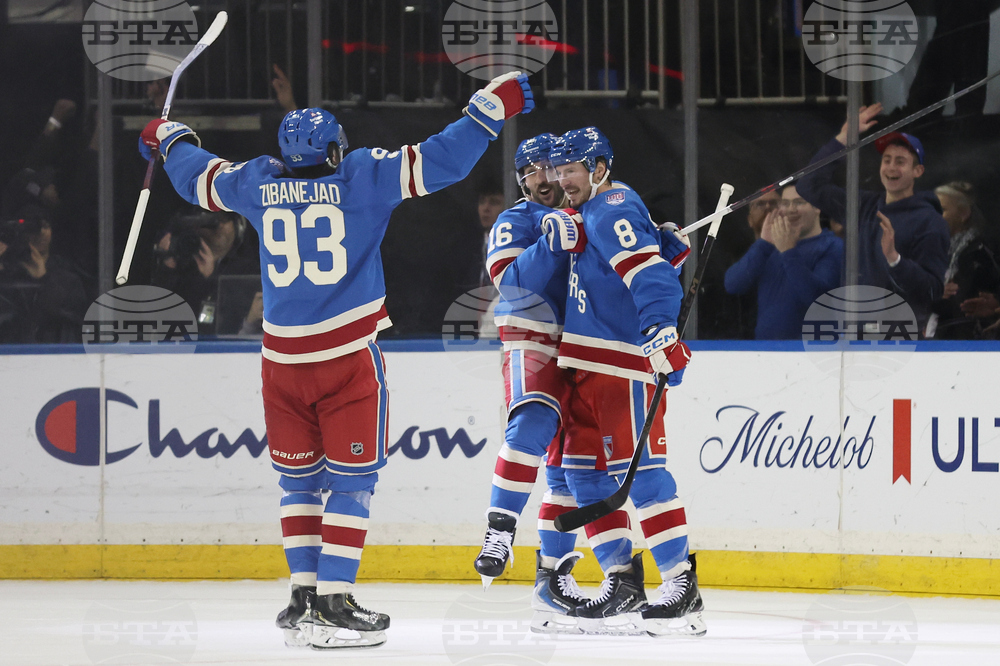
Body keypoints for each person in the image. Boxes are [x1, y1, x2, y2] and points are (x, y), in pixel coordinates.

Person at [138, 71, 534, 650]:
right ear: (332, 150)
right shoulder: (363, 176)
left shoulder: (257, 180)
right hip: (345, 358)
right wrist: (488, 105)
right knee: (352, 484)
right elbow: (442, 160)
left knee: (297, 483)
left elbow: (198, 178)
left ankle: (302, 596)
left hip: (281, 363)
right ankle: (334, 601)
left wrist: (167, 136)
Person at [544, 127, 705, 637]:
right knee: (582, 474)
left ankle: (682, 587)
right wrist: (667, 248)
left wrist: (660, 333)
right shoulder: (592, 211)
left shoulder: (612, 205)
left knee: (647, 473)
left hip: (620, 365)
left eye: (572, 169)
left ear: (599, 167)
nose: (563, 179)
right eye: (559, 169)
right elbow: (621, 269)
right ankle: (623, 581)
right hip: (587, 364)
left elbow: (649, 276)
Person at [474, 132, 590, 633]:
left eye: (554, 168)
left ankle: (552, 578)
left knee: (568, 468)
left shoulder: (594, 211)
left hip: (588, 342)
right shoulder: (513, 221)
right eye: (533, 171)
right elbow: (514, 285)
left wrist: (661, 248)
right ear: (522, 180)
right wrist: (551, 240)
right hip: (533, 334)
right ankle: (499, 530)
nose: (546, 179)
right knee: (532, 422)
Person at [796, 104, 950, 330]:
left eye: (900, 161)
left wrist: (895, 259)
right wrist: (843, 139)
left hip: (899, 341)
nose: (891, 167)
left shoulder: (931, 221)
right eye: (887, 159)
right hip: (852, 335)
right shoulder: (863, 205)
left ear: (918, 171)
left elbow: (933, 289)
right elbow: (808, 185)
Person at [723, 184, 844, 339]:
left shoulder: (833, 246)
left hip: (810, 352)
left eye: (799, 202)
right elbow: (732, 284)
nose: (791, 209)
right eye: (785, 203)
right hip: (764, 352)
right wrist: (764, 243)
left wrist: (788, 252)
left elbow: (818, 300)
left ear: (817, 207)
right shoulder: (770, 247)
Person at [151, 206, 260, 335]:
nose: (218, 226)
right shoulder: (184, 265)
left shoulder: (250, 269)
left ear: (238, 226)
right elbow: (157, 315)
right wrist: (167, 266)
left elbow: (233, 324)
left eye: (224, 219)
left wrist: (212, 277)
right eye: (210, 222)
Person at [0, 203, 89, 343]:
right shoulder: (7, 271)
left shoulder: (67, 276)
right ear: (19, 232)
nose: (40, 232)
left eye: (46, 226)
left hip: (53, 354)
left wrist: (44, 278)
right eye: (32, 228)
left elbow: (68, 320)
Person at [925, 181, 1000, 339]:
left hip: (966, 344)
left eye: (942, 209)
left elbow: (957, 304)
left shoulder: (979, 253)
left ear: (964, 214)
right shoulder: (931, 250)